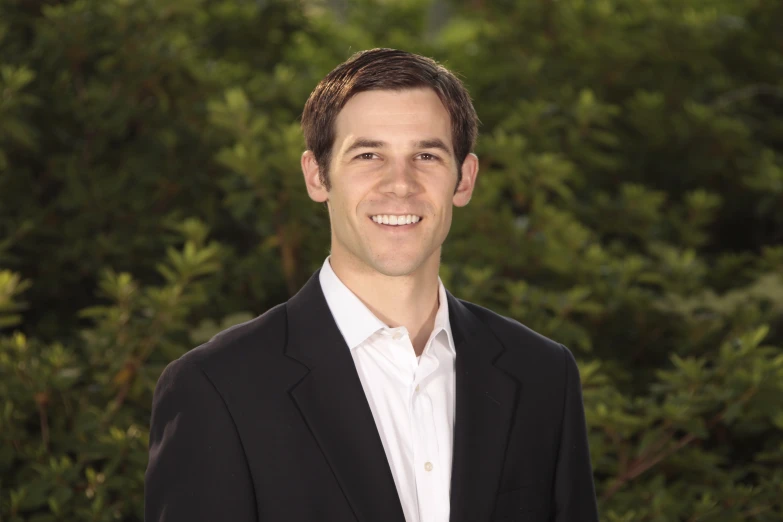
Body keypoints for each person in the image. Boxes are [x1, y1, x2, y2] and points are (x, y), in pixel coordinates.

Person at [144, 48, 599, 522]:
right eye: (368, 154)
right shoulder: (217, 388)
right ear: (317, 176)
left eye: (426, 155)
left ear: (464, 180)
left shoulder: (542, 374)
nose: (400, 184)